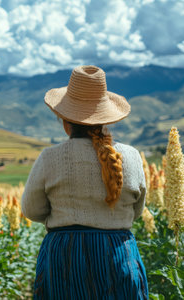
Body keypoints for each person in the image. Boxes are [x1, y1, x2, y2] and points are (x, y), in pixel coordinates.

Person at [21, 65, 148, 299]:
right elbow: (137, 211)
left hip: (65, 258)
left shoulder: (50, 157)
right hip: (118, 255)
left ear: (65, 121)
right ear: (105, 120)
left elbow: (32, 210)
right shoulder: (131, 156)